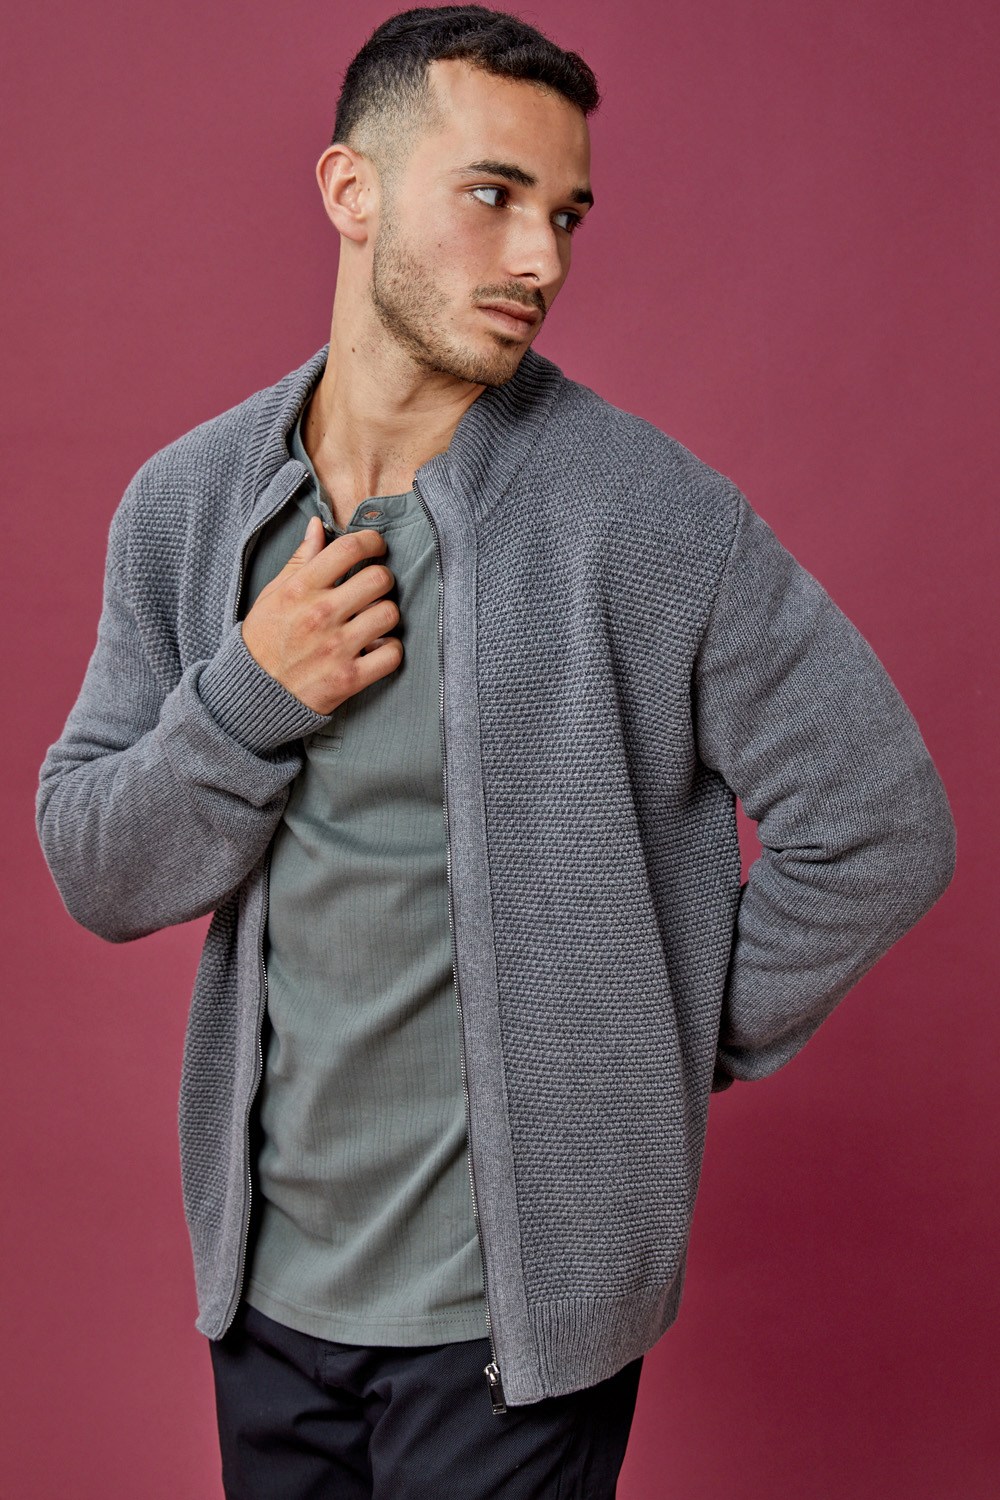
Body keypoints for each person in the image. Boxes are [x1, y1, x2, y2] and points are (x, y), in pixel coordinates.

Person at [35, 6, 957, 1497]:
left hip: (511, 1335)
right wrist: (250, 696)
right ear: (352, 191)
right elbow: (95, 865)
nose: (543, 258)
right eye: (494, 195)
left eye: (566, 214)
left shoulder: (646, 516)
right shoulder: (190, 507)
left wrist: (649, 1036)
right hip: (263, 1303)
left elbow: (880, 822)